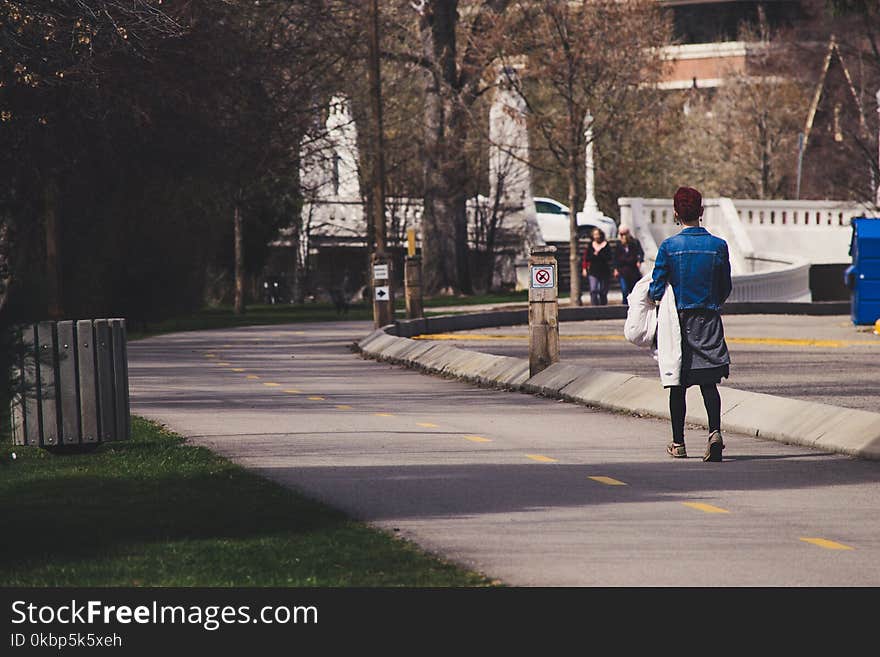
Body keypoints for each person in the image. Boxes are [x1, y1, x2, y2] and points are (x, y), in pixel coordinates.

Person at [649, 186, 732, 462]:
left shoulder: (669, 248)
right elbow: (725, 287)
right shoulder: (718, 246)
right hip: (708, 319)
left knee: (678, 384)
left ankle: (678, 442)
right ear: (701, 212)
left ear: (676, 213)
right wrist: (712, 304)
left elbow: (657, 288)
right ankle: (715, 432)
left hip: (678, 323)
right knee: (709, 382)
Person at [613, 226, 644, 306]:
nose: (623, 236)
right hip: (623, 270)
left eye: (624, 234)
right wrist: (615, 269)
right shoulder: (619, 244)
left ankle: (633, 305)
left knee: (633, 289)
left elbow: (640, 253)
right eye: (621, 234)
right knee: (624, 289)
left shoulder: (634, 242)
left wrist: (639, 261)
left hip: (633, 270)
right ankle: (624, 305)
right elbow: (615, 257)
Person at [582, 227, 612, 306]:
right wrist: (585, 267)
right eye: (595, 234)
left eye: (598, 234)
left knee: (603, 291)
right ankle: (594, 307)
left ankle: (603, 307)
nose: (596, 236)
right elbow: (587, 257)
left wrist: (599, 254)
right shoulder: (590, 245)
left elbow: (609, 257)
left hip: (604, 270)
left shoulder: (606, 245)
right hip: (593, 270)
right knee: (593, 290)